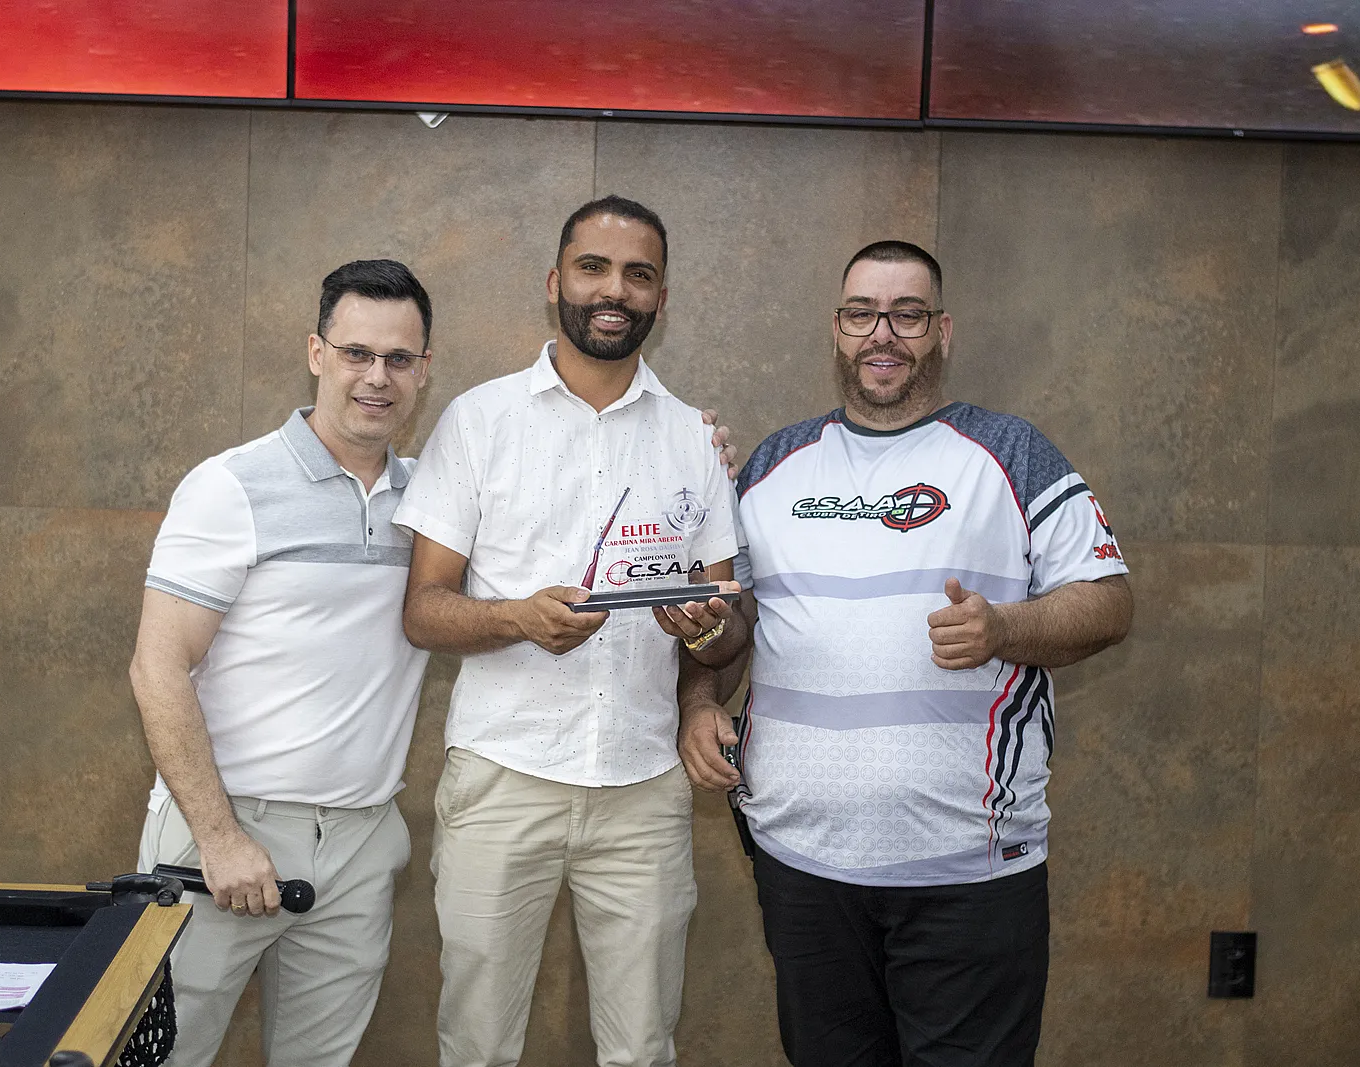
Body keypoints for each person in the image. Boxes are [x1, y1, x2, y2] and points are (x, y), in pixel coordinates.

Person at [679, 241, 1134, 1067]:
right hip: (800, 863)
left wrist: (1004, 629)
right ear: (837, 329)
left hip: (970, 873)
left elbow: (1109, 601)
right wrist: (699, 701)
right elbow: (732, 623)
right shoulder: (774, 463)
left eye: (907, 314)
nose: (881, 332)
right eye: (862, 313)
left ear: (942, 331)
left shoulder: (1012, 453)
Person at [395, 195, 746, 1067]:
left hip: (644, 789)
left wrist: (702, 633)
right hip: (502, 777)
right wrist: (516, 616)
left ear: (662, 297)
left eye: (638, 274)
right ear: (556, 281)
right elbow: (424, 607)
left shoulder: (696, 439)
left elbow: (728, 628)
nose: (614, 289)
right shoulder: (478, 420)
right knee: (477, 1046)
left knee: (643, 1048)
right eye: (594, 267)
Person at [128, 260, 435, 1067]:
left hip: (361, 844)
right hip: (222, 832)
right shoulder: (231, 486)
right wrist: (219, 836)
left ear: (424, 370)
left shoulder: (435, 503)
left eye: (399, 358)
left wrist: (694, 452)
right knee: (163, 1056)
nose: (377, 377)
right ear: (316, 352)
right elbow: (157, 669)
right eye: (356, 352)